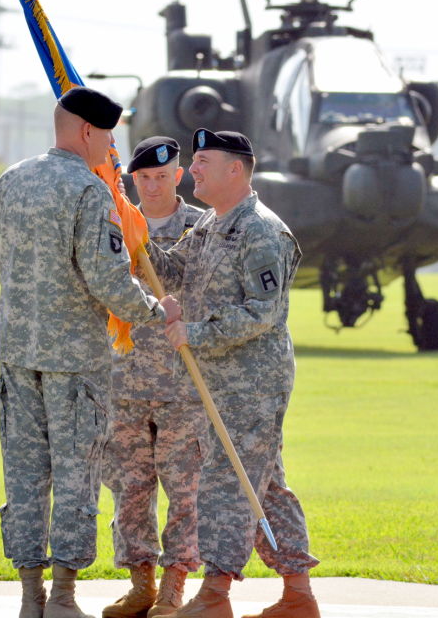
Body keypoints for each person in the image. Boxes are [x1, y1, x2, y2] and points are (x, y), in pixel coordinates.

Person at [0, 87, 180, 618]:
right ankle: (64, 598)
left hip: (17, 353)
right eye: (109, 134)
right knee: (76, 474)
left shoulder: (12, 180)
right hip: (74, 358)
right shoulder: (88, 190)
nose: (113, 146)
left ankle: (30, 598)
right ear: (87, 132)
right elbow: (106, 278)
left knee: (25, 478)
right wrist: (154, 309)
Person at [147, 129, 320, 618]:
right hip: (216, 379)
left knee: (225, 479)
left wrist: (195, 333)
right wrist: (135, 235)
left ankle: (215, 593)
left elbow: (262, 312)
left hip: (252, 381)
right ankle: (298, 594)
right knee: (263, 483)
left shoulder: (262, 230)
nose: (193, 170)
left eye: (202, 161)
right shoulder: (207, 224)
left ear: (235, 170)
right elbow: (171, 269)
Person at [102, 137, 206, 618]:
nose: (153, 186)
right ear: (132, 179)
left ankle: (173, 587)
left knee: (184, 489)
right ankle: (140, 581)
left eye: (162, 177)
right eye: (143, 178)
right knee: (130, 487)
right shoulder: (115, 225)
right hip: (122, 379)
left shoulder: (201, 227)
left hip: (182, 384)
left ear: (178, 176)